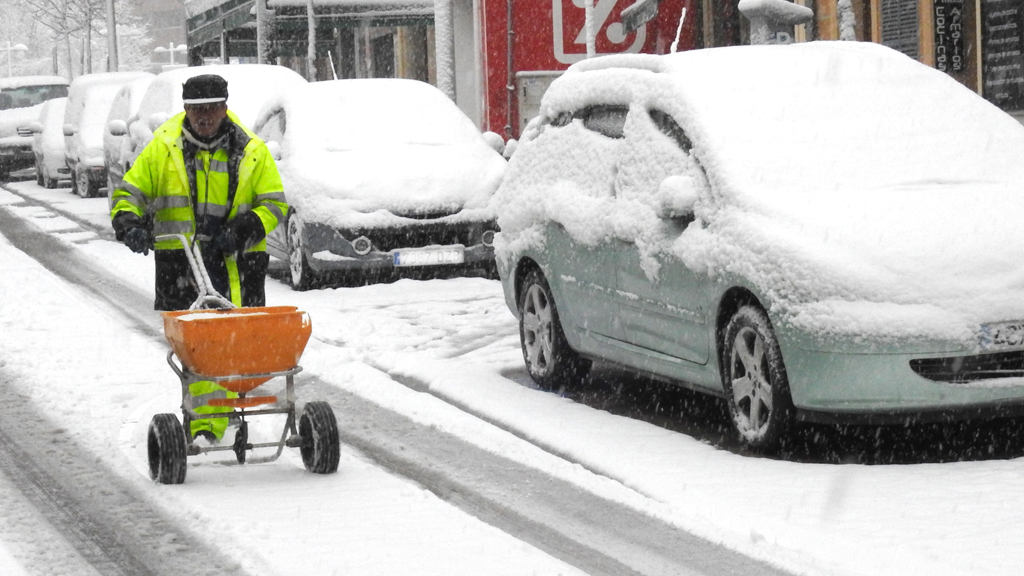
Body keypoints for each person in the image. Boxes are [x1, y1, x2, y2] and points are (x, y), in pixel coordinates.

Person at [110, 73, 288, 442]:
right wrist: (129, 223)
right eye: (196, 110)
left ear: (224, 108)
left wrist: (244, 229)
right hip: (182, 263)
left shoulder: (251, 151)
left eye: (211, 109)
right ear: (186, 110)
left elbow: (274, 204)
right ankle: (209, 424)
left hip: (237, 263)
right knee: (201, 350)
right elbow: (130, 191)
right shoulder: (163, 149)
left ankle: (218, 417)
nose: (204, 117)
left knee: (237, 348)